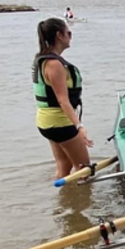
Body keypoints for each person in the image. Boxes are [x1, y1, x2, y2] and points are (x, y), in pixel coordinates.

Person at [33, 18, 93, 179]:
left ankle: (63, 201)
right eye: (69, 33)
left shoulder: (42, 59)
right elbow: (62, 100)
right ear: (59, 35)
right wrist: (79, 126)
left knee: (63, 165)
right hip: (59, 123)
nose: (70, 36)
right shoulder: (54, 64)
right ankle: (81, 203)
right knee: (84, 170)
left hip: (46, 122)